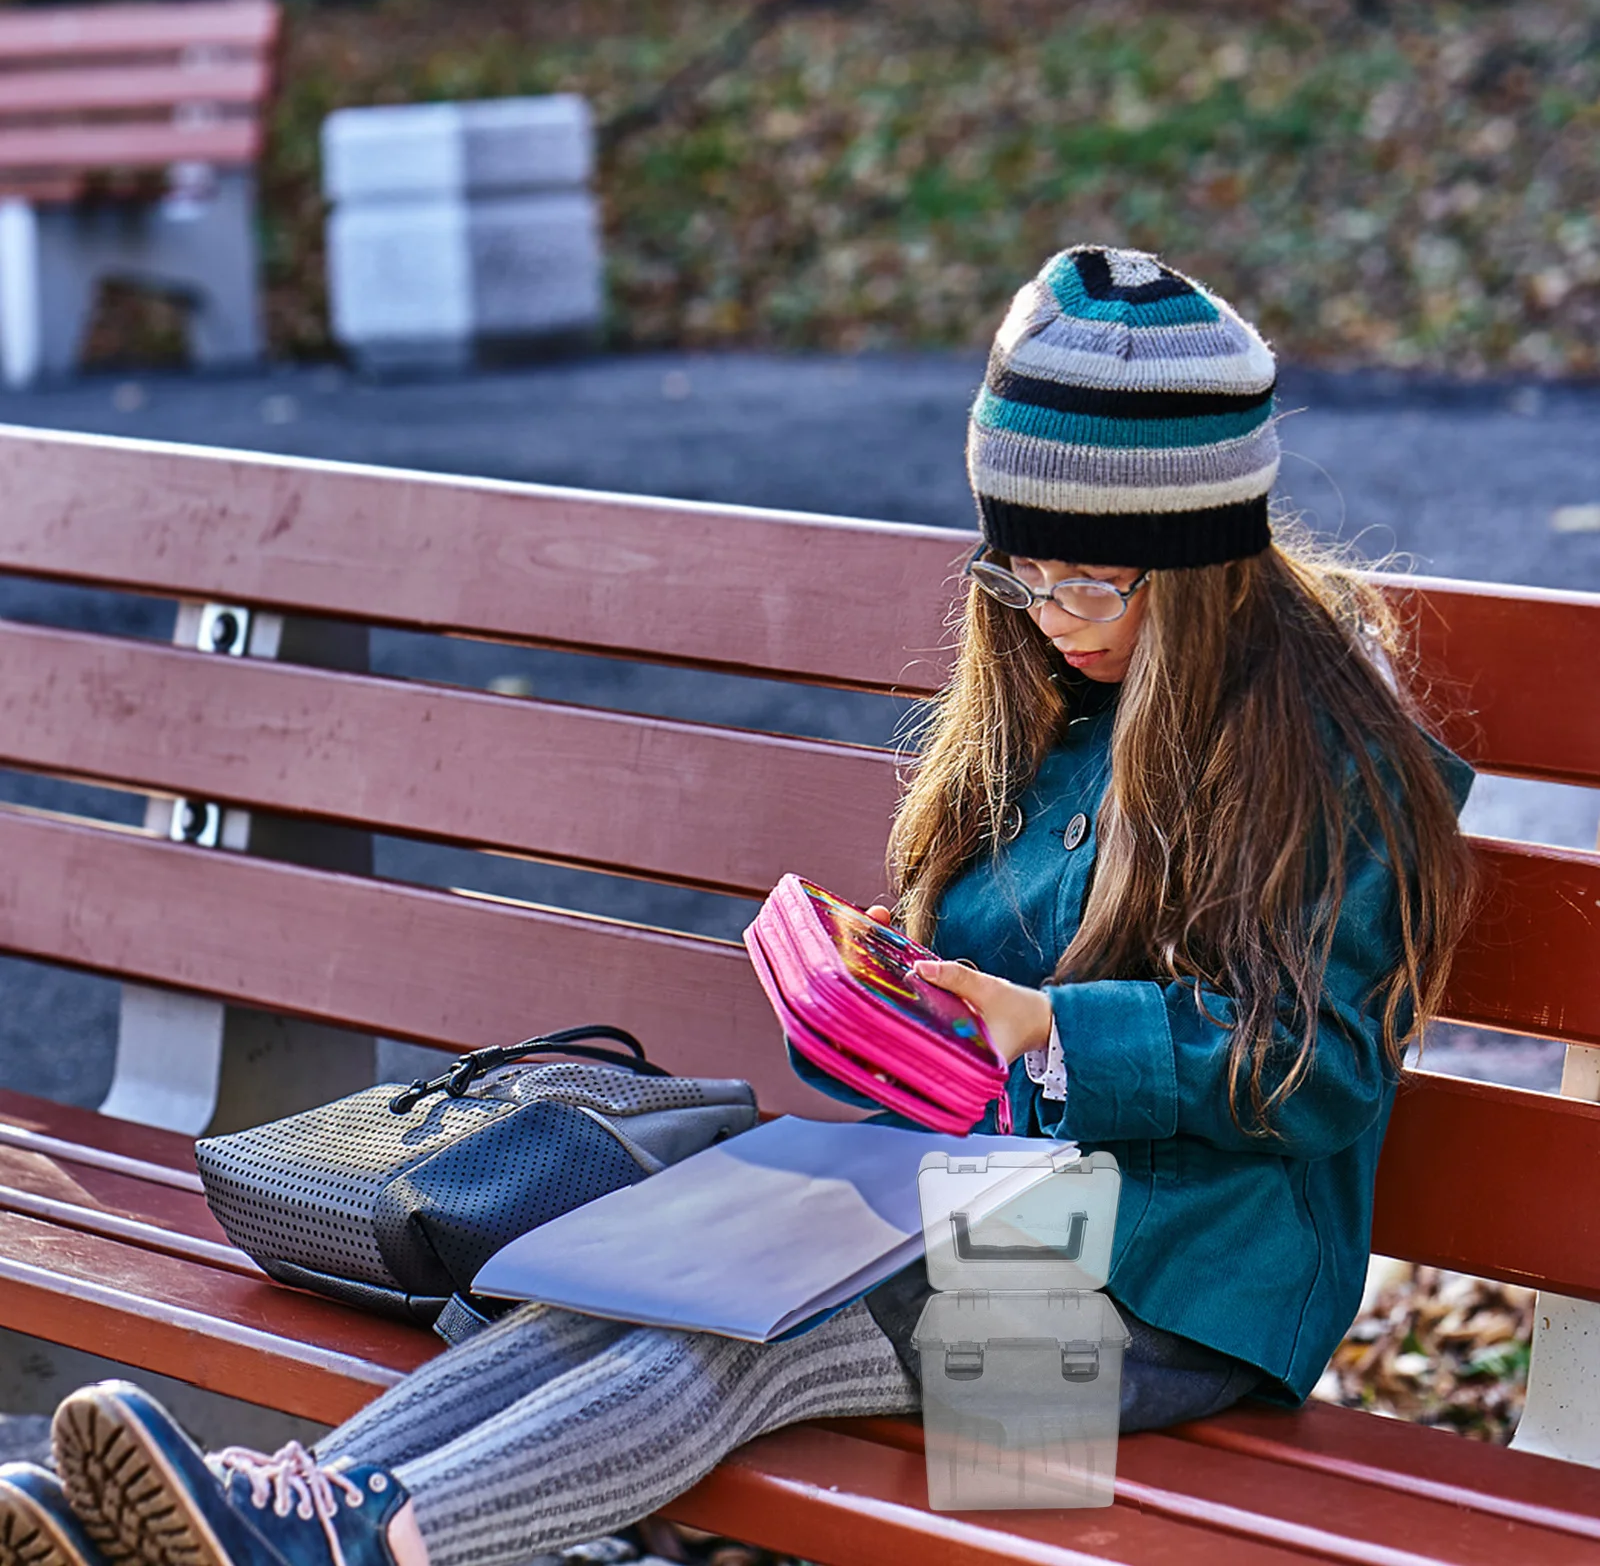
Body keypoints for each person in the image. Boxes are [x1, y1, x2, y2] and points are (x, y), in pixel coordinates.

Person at [0, 245, 1476, 1566]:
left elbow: (1321, 1065)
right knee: (608, 1290)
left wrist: (1056, 1033)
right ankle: (290, 1504)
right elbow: (988, 998)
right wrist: (902, 997)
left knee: (738, 1340)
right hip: (968, 1207)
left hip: (1163, 1293)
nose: (1048, 613)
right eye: (1019, 574)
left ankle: (376, 1544)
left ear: (1206, 563)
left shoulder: (1323, 757)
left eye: (1091, 581)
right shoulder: (1051, 694)